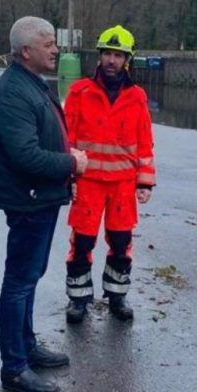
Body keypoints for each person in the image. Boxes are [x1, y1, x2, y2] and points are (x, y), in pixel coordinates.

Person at [0, 16, 88, 392]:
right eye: (48, 43)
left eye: (54, 43)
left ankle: (26, 347)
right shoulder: (13, 92)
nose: (56, 49)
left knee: (30, 276)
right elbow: (25, 156)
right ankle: (14, 368)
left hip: (40, 198)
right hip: (28, 200)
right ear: (26, 51)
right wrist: (72, 163)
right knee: (19, 282)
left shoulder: (31, 83)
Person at [63, 25, 156, 324]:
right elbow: (67, 140)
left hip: (123, 185)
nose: (112, 60)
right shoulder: (80, 92)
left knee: (120, 242)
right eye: (107, 54)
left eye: (118, 55)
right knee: (82, 243)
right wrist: (68, 179)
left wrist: (145, 181)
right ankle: (78, 300)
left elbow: (145, 141)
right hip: (88, 182)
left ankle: (117, 296)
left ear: (127, 59)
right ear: (99, 56)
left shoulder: (137, 96)